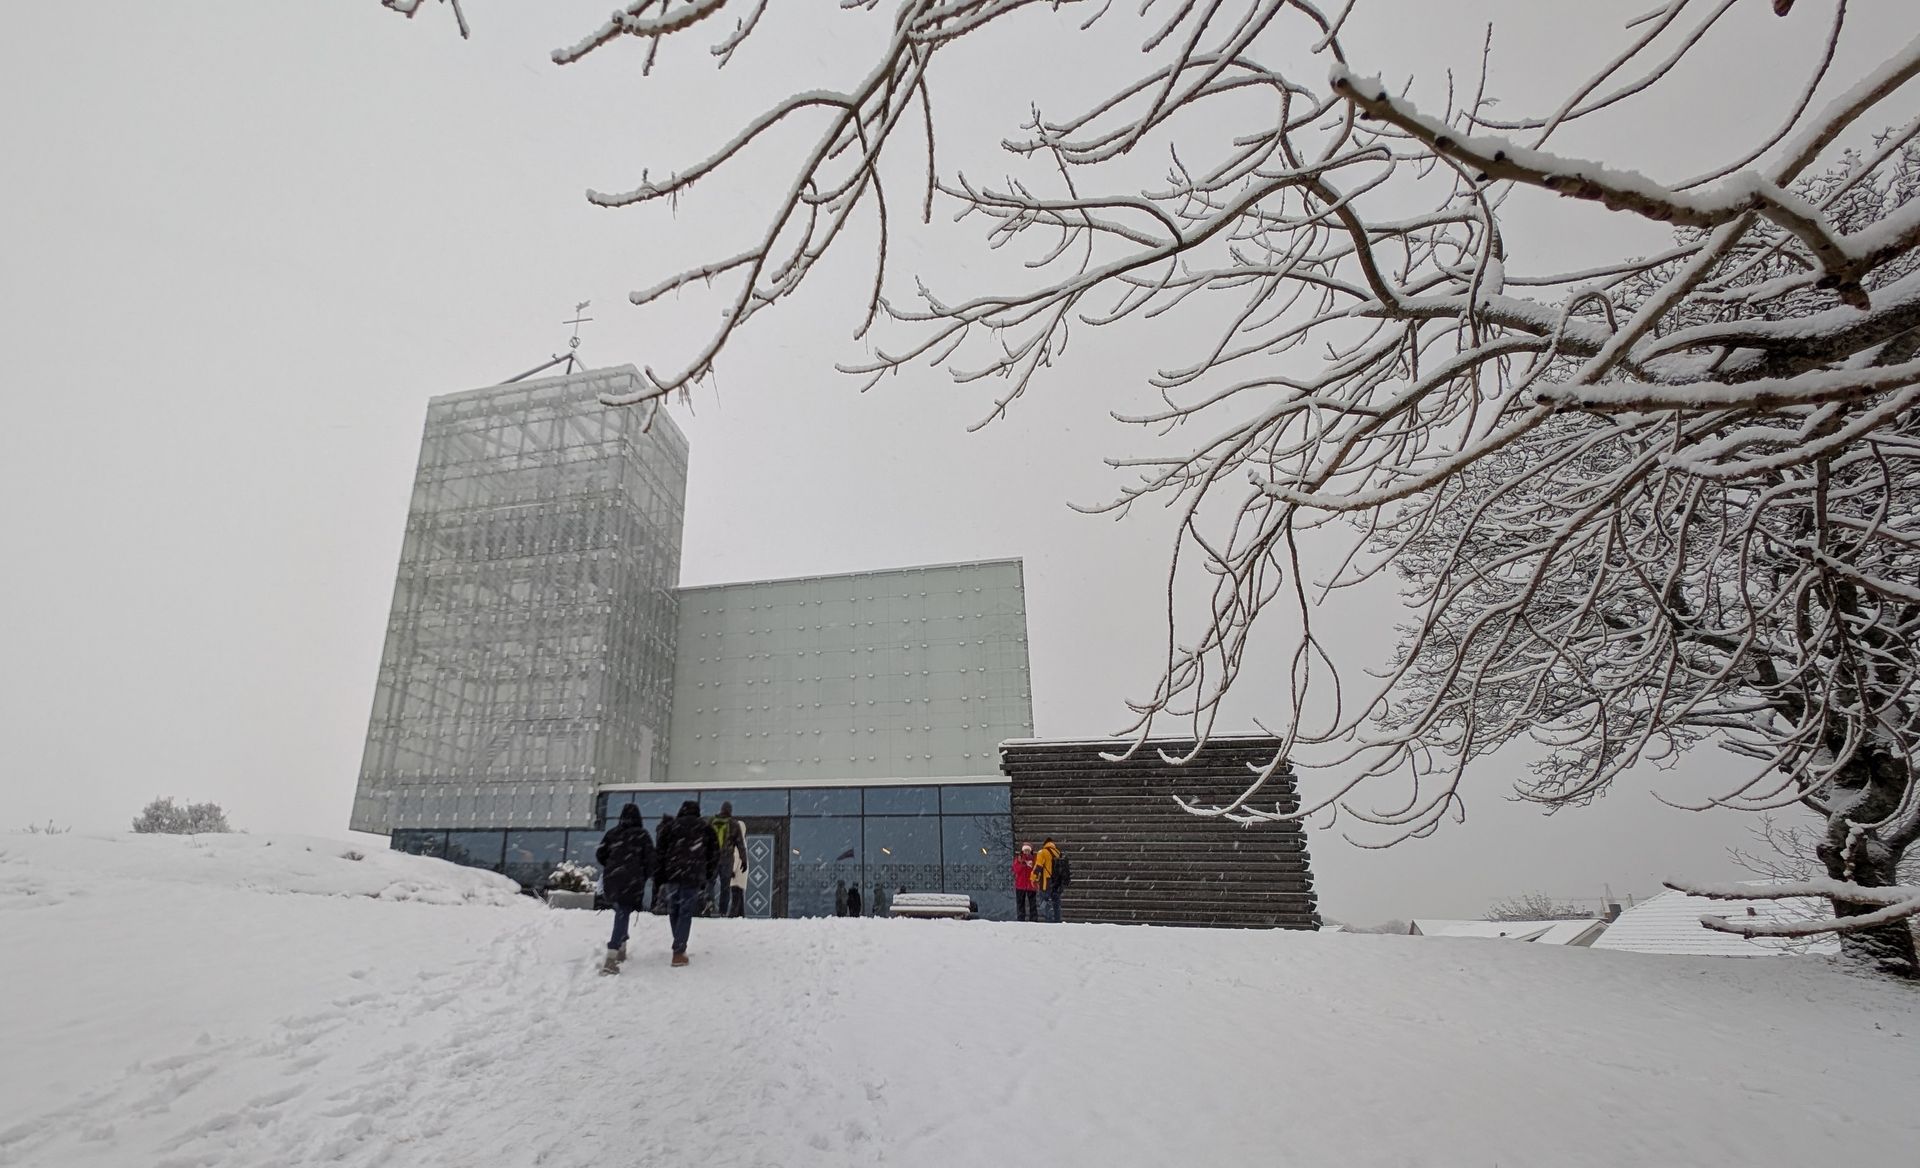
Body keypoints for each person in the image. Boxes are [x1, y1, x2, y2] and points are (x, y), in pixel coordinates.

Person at [594, 804, 656, 975]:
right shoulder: (642, 835)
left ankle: (622, 945)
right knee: (623, 912)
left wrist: (612, 865)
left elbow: (600, 854)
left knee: (622, 911)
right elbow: (651, 859)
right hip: (633, 879)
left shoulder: (612, 833)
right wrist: (644, 874)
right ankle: (612, 955)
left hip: (613, 878)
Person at [654, 800, 718, 967]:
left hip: (672, 874)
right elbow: (714, 853)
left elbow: (660, 852)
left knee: (674, 909)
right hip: (693, 874)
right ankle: (679, 950)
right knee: (685, 911)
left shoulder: (670, 827)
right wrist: (708, 874)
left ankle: (678, 944)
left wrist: (660, 876)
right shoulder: (705, 828)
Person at [708, 802, 739, 915]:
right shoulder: (733, 824)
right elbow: (740, 844)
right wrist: (744, 860)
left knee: (710, 882)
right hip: (726, 860)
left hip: (713, 859)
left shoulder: (711, 821)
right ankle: (722, 911)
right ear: (730, 811)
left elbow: (704, 839)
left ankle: (709, 902)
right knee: (725, 886)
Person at [1033, 837, 1067, 923]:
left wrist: (1033, 878)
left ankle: (1049, 922)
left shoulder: (1042, 852)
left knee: (1044, 902)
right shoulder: (1058, 852)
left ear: (1045, 844)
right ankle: (1057, 920)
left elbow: (1038, 867)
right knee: (1056, 903)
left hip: (1046, 882)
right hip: (1057, 883)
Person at [724, 819, 749, 918]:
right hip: (742, 873)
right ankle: (741, 914)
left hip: (737, 873)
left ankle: (732, 915)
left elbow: (736, 857)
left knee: (735, 895)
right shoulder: (743, 842)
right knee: (739, 894)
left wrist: (732, 870)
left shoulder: (736, 842)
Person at [1013, 842, 1038, 922]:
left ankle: (1033, 920)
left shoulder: (1034, 859)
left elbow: (1037, 870)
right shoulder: (1019, 859)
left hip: (1031, 885)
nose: (1026, 852)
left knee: (1033, 904)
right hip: (1020, 885)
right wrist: (1023, 864)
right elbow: (1015, 870)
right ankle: (1021, 920)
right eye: (1025, 850)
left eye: (1028, 850)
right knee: (1020, 904)